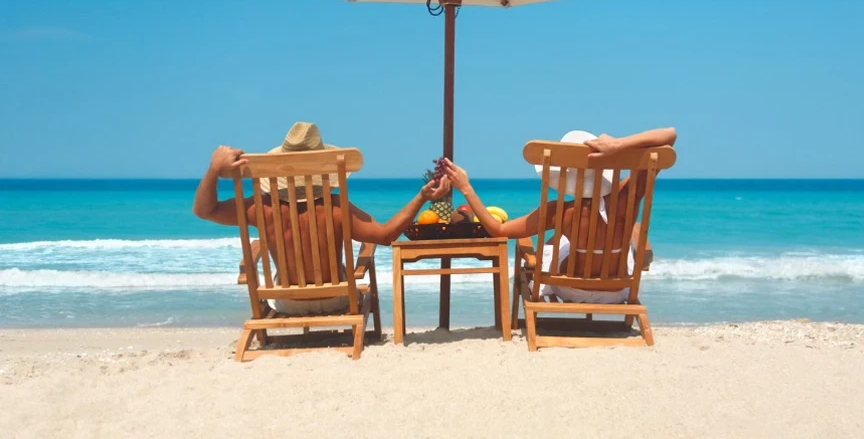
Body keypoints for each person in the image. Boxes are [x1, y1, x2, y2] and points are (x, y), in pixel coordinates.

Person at [193, 122, 450, 314]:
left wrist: (214, 169)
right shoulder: (336, 208)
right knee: (366, 250)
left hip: (285, 303)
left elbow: (205, 210)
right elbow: (385, 236)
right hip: (336, 299)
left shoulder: (260, 207)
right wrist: (421, 197)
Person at [443, 127, 676, 303]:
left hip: (571, 289)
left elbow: (498, 230)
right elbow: (670, 135)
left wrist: (466, 188)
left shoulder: (558, 212)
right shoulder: (627, 197)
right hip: (617, 291)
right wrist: (618, 145)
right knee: (616, 243)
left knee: (557, 243)